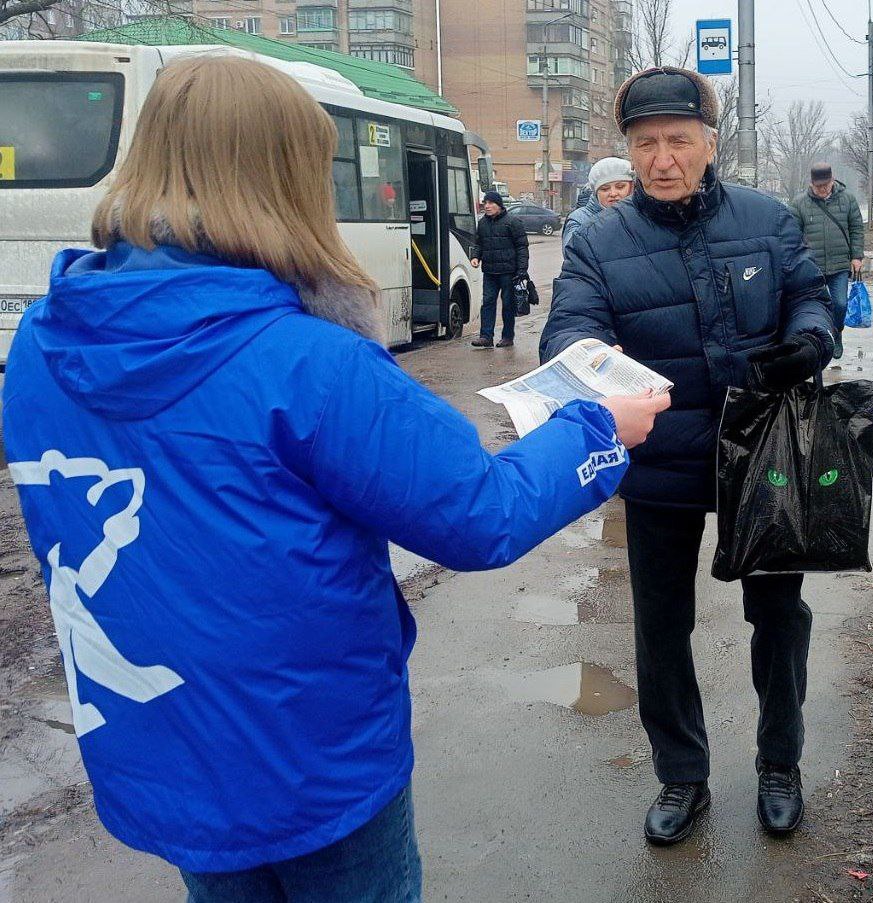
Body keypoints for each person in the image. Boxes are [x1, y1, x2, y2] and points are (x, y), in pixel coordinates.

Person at [2, 55, 669, 903]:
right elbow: (477, 513)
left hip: (156, 737)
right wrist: (598, 430)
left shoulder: (41, 344)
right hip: (310, 752)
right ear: (285, 178)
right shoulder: (307, 361)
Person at [541, 66, 834, 846]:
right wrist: (594, 365)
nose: (662, 158)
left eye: (677, 140)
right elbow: (567, 331)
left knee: (777, 614)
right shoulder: (599, 242)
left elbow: (809, 294)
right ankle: (681, 773)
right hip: (662, 464)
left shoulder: (767, 220)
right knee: (661, 626)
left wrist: (809, 338)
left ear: (708, 143)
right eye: (645, 144)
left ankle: (780, 761)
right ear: (628, 153)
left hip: (765, 451)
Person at [788, 163, 864, 359]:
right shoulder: (799, 204)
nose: (822, 190)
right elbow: (792, 236)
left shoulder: (847, 200)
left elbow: (856, 229)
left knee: (839, 304)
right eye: (818, 186)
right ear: (811, 184)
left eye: (825, 185)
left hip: (839, 265)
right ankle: (822, 339)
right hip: (812, 267)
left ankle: (837, 332)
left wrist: (857, 256)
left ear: (832, 180)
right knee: (813, 307)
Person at [469, 190, 529, 348]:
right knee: (487, 302)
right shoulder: (482, 223)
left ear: (499, 205)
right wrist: (475, 257)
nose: (487, 206)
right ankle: (486, 336)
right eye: (485, 203)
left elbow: (522, 247)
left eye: (491, 203)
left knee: (508, 304)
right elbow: (478, 244)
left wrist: (522, 270)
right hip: (489, 271)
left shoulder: (512, 222)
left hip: (509, 272)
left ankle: (507, 337)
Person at [562, 156, 634, 248]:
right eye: (605, 189)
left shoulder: (643, 214)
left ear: (631, 187)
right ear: (596, 193)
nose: (613, 193)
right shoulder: (579, 219)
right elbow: (573, 254)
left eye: (620, 187)